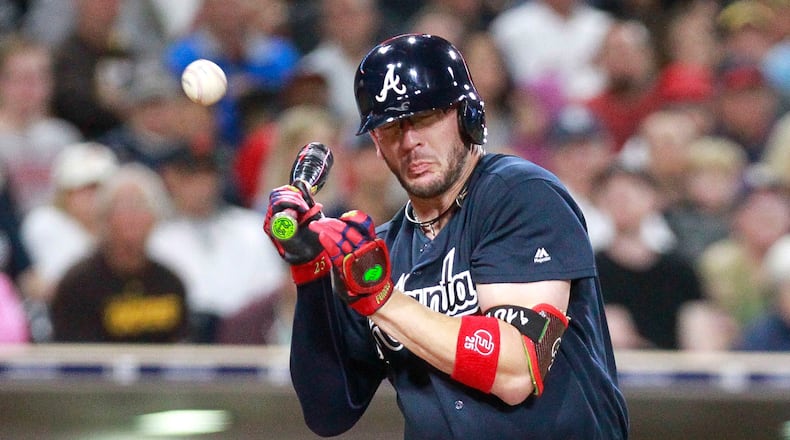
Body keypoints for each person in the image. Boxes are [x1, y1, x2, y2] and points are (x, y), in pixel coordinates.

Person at [264, 34, 628, 439]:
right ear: (376, 145)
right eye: (391, 127)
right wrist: (310, 271)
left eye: (424, 118)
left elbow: (518, 368)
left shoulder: (519, 195)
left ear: (467, 115)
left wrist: (381, 299)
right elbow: (327, 412)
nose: (410, 141)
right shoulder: (379, 254)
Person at [50, 163, 188, 343]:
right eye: (123, 207)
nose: (132, 217)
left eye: (141, 206)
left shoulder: (170, 283)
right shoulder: (78, 283)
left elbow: (181, 347)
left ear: (155, 218)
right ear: (104, 217)